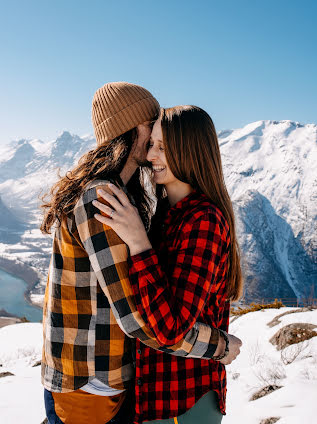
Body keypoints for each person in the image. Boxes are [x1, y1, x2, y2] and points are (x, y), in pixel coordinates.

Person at [40, 84, 241, 424]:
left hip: (110, 383)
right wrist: (219, 346)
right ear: (133, 129)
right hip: (91, 383)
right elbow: (140, 321)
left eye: (164, 144)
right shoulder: (102, 200)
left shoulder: (127, 199)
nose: (151, 150)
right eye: (152, 128)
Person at [93, 105, 243, 423]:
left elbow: (171, 328)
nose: (151, 156)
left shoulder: (204, 219)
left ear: (188, 149)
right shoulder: (167, 212)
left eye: (162, 147)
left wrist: (138, 243)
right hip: (156, 397)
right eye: (151, 145)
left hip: (185, 402)